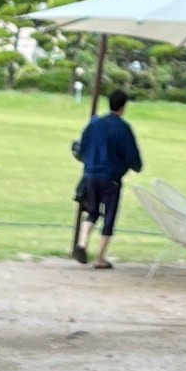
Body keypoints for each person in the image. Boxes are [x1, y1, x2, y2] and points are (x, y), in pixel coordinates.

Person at [70, 90, 142, 268]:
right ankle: (100, 258)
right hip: (111, 177)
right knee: (109, 216)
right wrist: (135, 166)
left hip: (91, 175)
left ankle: (82, 243)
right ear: (123, 107)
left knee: (92, 211)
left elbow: (82, 147)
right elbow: (132, 157)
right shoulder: (123, 128)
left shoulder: (94, 124)